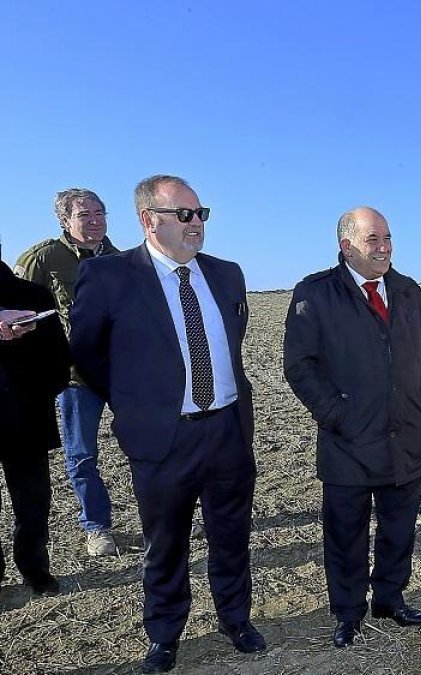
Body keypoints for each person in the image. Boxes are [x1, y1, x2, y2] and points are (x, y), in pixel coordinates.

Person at [70, 175, 264, 673]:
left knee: (231, 534)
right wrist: (136, 405)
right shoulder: (111, 276)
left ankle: (235, 619)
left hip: (225, 430)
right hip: (162, 436)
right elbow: (89, 354)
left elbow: (233, 341)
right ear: (147, 219)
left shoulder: (226, 274)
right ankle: (164, 634)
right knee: (165, 543)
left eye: (200, 213)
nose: (195, 223)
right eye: (184, 215)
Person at [283, 206, 421, 648]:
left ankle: (390, 598)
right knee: (346, 534)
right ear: (347, 245)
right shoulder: (314, 294)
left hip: (406, 436)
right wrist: (337, 415)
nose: (385, 247)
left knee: (399, 528)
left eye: (388, 238)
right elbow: (300, 366)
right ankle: (348, 611)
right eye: (374, 239)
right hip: (348, 442)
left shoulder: (408, 291)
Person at [15, 189, 121, 557]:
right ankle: (96, 526)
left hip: (124, 375)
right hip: (76, 378)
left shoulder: (123, 259)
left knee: (150, 447)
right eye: (84, 214)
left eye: (99, 212)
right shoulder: (43, 258)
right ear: (65, 221)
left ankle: (162, 516)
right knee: (81, 455)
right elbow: (19, 310)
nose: (94, 220)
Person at [0, 260, 71, 595]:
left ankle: (35, 570)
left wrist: (39, 391)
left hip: (25, 416)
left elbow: (58, 356)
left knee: (33, 501)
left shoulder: (33, 295)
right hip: (26, 413)